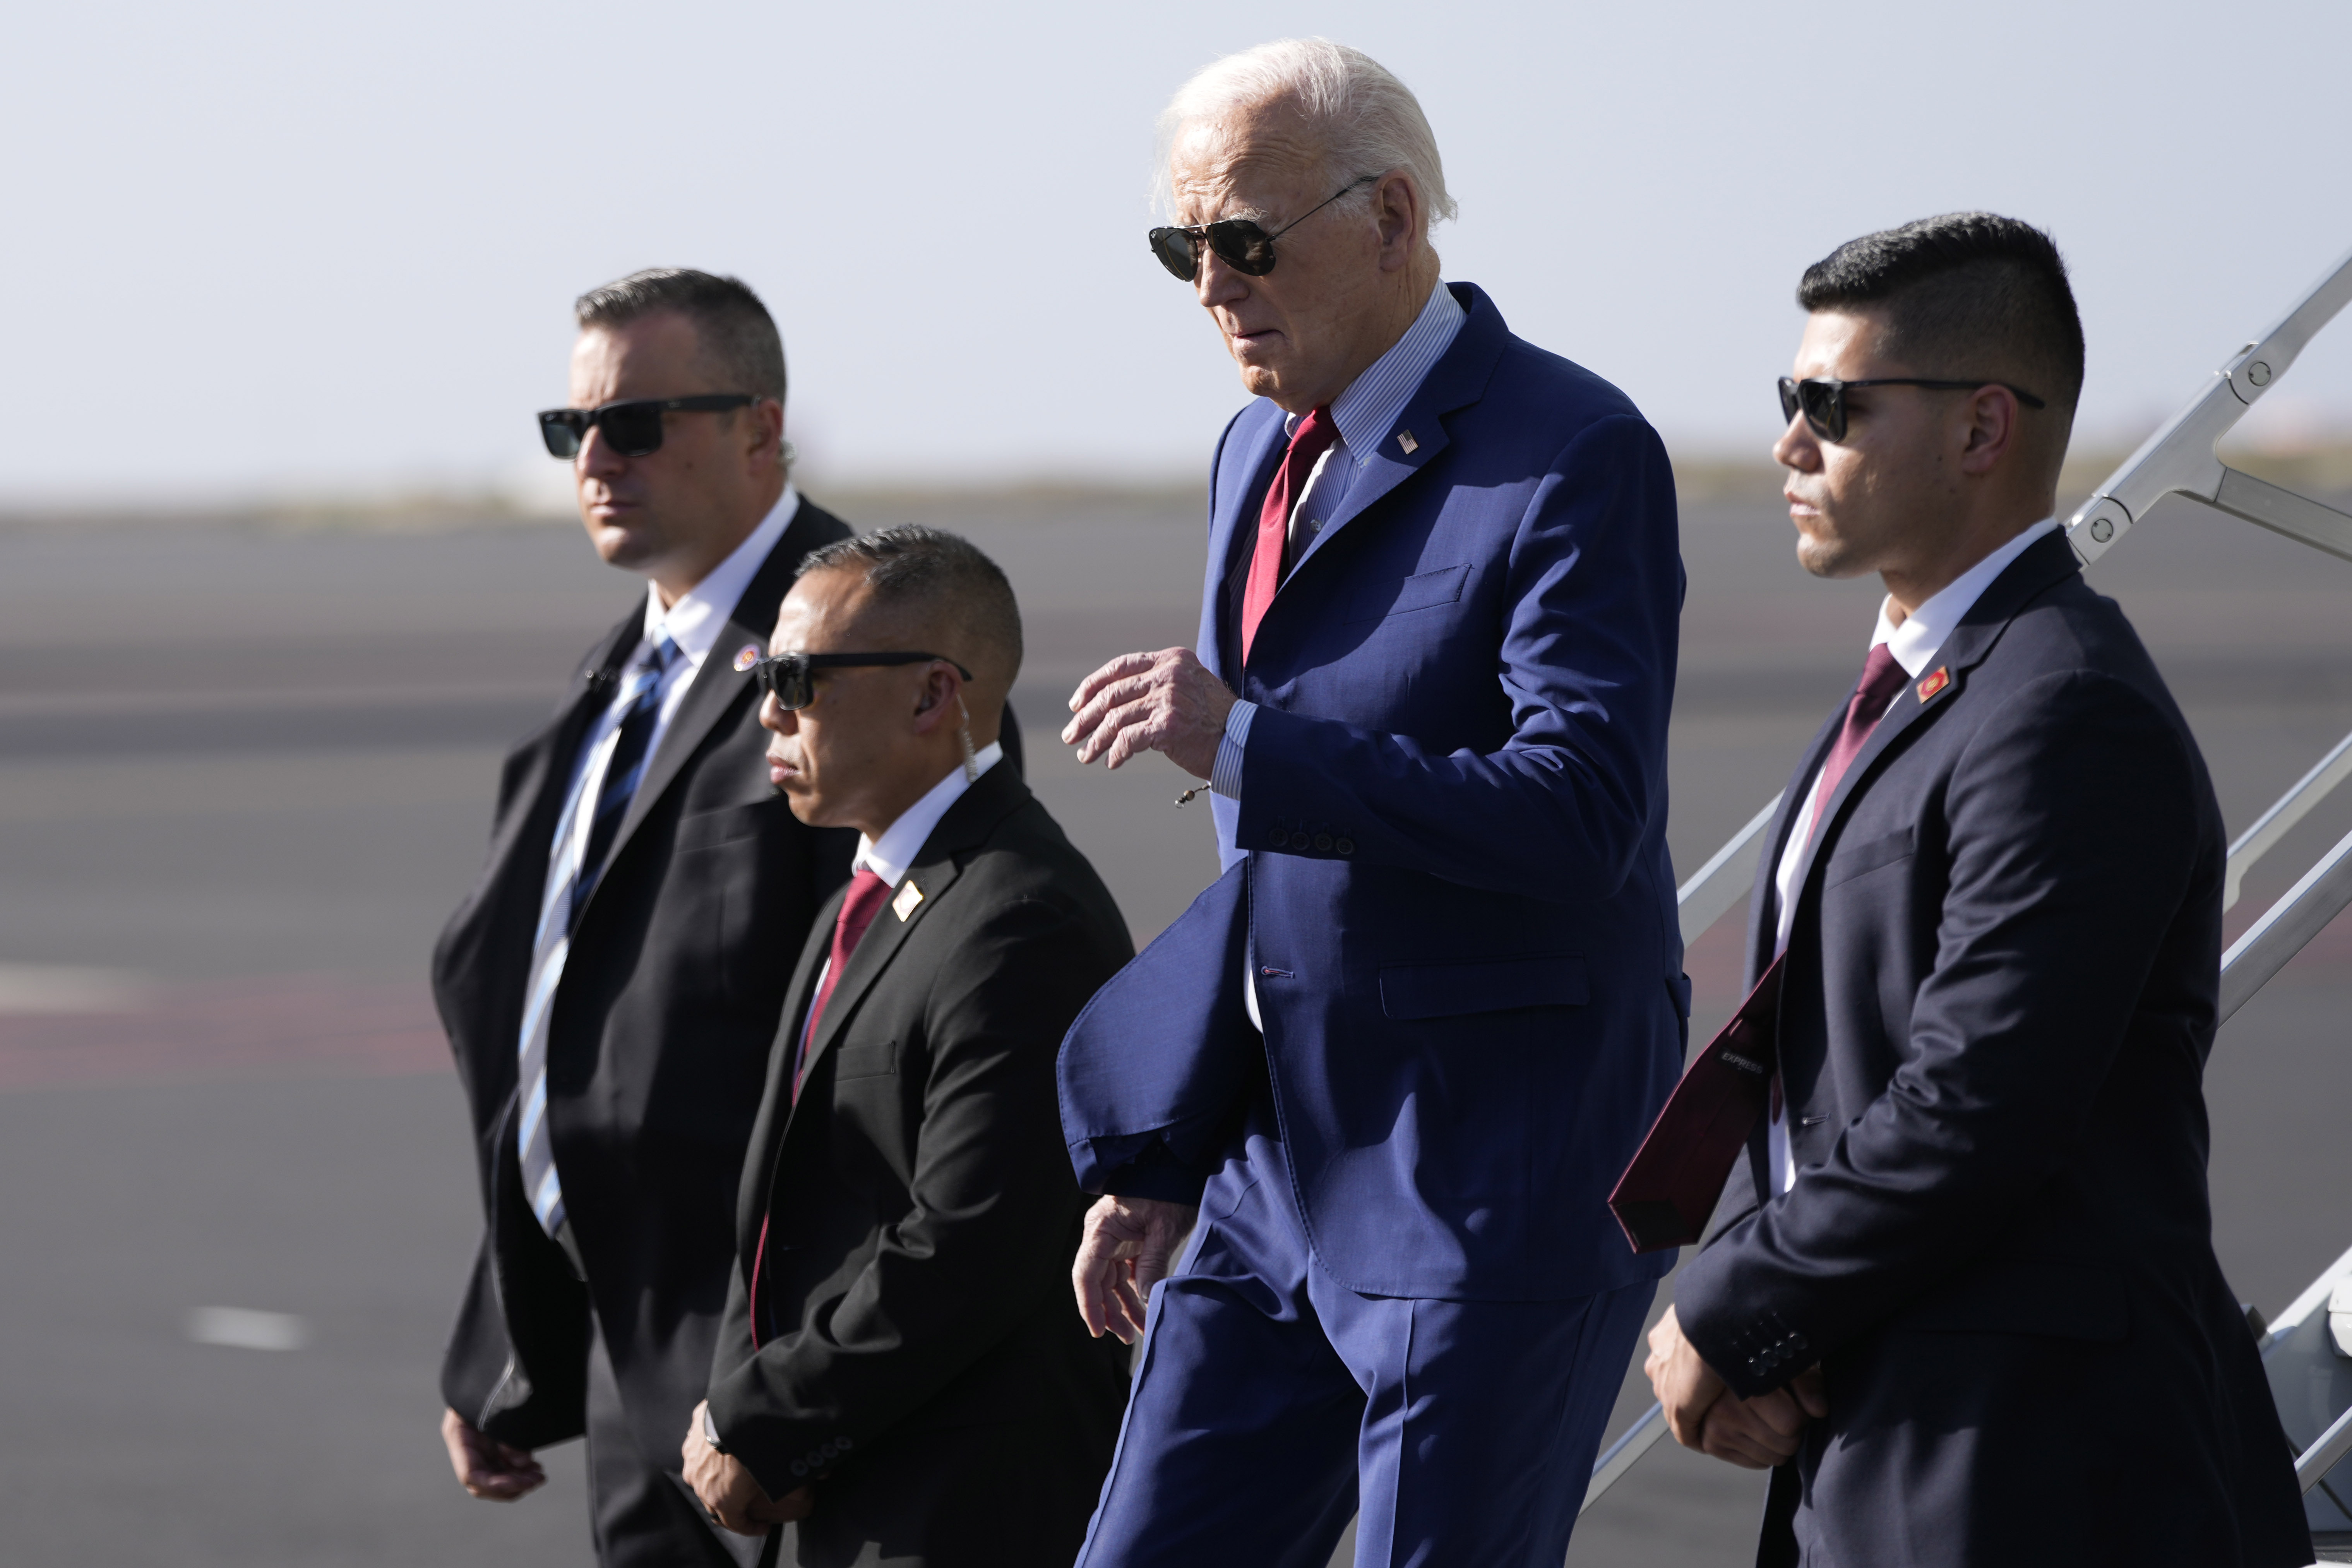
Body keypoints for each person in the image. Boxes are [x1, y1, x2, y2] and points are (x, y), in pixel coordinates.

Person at [1055, 38, 1685, 1566]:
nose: (1211, 283)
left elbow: (1580, 804)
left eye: (1245, 240)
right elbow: (1274, 870)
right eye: (1178, 246)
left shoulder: (1569, 452)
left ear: (1392, 216)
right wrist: (1166, 1145)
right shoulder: (1251, 451)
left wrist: (1252, 745)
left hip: (1487, 1174)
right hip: (1273, 1171)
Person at [1641, 214, 2313, 1566]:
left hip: (2043, 1466)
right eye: (1791, 401)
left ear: (1982, 429)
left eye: (1833, 406)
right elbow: (1825, 1072)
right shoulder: (1929, 690)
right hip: (1893, 1421)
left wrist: (1732, 1301)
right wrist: (1762, 1303)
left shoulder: (2065, 707)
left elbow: (1979, 1100)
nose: (1789, 443)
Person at [434, 268, 863, 1567]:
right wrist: (511, 1329)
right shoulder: (621, 674)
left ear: (759, 430)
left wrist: (798, 1373)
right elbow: (560, 1035)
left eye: (637, 424)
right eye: (575, 433)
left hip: (782, 1361)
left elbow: (900, 1037)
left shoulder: (864, 648)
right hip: (633, 1351)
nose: (597, 461)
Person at [682, 526, 1134, 1566]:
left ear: (935, 696)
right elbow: (784, 1217)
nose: (768, 710)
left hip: (965, 1511)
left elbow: (970, 1242)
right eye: (763, 672)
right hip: (854, 1493)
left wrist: (767, 1422)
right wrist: (737, 1411)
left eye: (798, 678)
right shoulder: (880, 892)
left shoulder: (1021, 917)